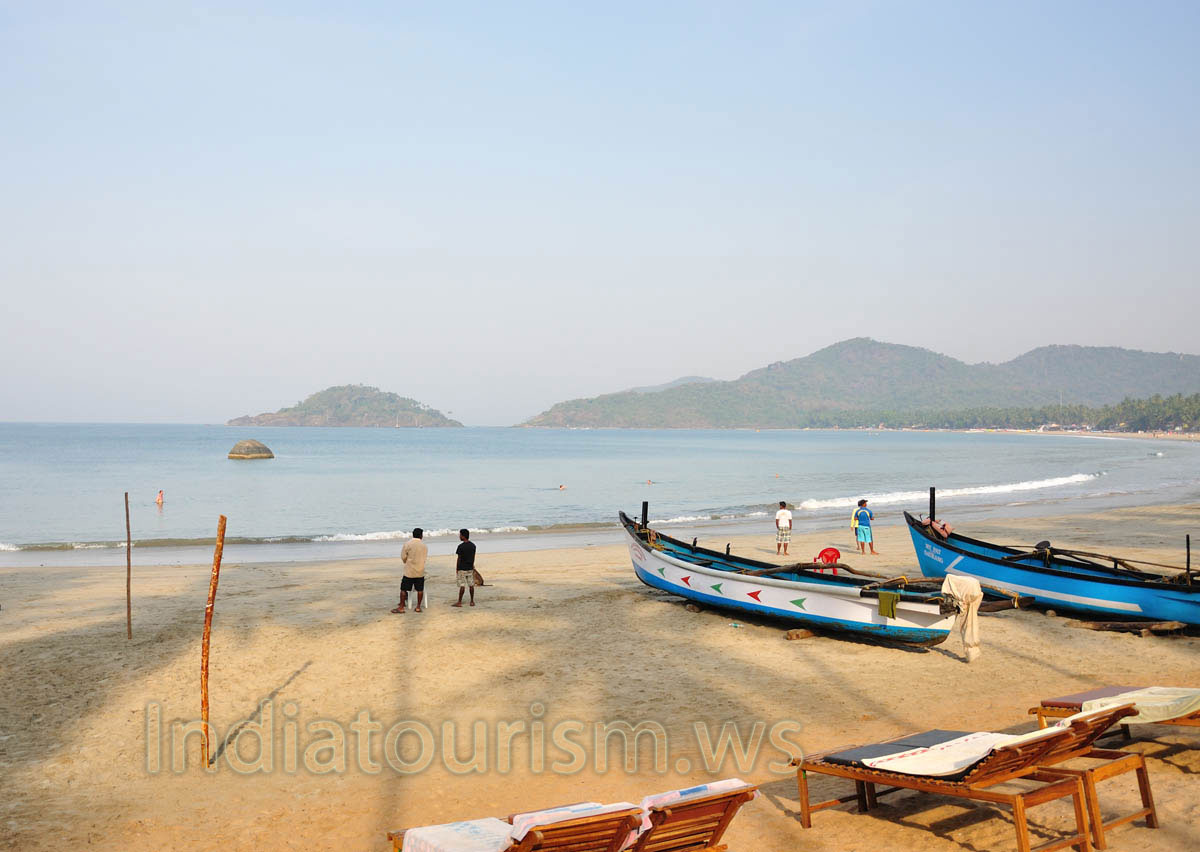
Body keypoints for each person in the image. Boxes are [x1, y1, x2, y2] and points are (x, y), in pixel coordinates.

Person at [393, 528, 427, 613]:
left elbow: (403, 557)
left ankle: (401, 607)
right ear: (421, 535)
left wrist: (407, 561)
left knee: (403, 589)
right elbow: (424, 558)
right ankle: (418, 607)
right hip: (420, 571)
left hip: (409, 571)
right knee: (420, 589)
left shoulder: (407, 544)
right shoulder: (424, 546)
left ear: (413, 534)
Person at [453, 528, 477, 607]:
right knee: (471, 585)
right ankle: (472, 601)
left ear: (463, 536)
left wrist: (457, 569)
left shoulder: (460, 546)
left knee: (462, 585)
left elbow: (459, 559)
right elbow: (473, 557)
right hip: (470, 568)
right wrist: (472, 565)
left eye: (460, 535)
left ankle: (459, 602)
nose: (459, 536)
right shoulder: (473, 545)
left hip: (462, 568)